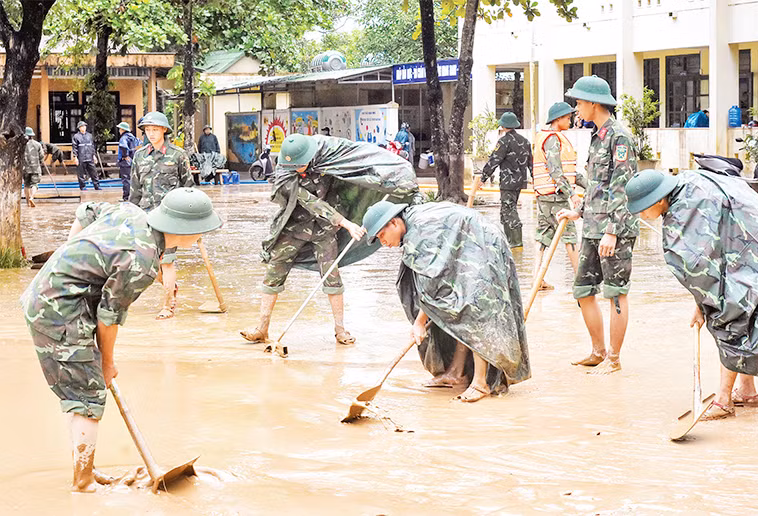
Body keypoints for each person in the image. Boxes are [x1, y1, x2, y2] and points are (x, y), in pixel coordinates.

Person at [19, 188, 223, 492]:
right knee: (89, 394)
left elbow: (86, 211)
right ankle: (83, 481)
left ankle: (85, 467)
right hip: (59, 310)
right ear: (188, 231)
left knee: (80, 391)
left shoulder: (132, 212)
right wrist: (107, 362)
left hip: (48, 295)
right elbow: (108, 317)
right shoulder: (141, 263)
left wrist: (70, 257)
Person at [626, 169, 758, 420]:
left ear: (658, 199)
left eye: (643, 209)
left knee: (729, 317)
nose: (642, 215)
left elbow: (702, 267)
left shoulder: (686, 210)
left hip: (756, 242)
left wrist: (703, 304)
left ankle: (723, 400)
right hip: (757, 231)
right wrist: (700, 301)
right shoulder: (684, 185)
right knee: (745, 313)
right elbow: (705, 263)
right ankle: (747, 391)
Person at [240, 133, 419, 351]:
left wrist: (391, 174)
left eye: (301, 165)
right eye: (294, 166)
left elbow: (359, 156)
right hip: (294, 227)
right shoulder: (284, 173)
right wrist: (346, 224)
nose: (297, 169)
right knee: (273, 274)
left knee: (332, 278)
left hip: (325, 231)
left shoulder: (328, 153)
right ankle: (262, 328)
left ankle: (340, 329)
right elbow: (311, 202)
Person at [362, 200, 531, 402]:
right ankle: (456, 373)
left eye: (382, 236)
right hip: (467, 243)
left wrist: (420, 322)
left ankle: (480, 383)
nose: (384, 243)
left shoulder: (419, 235)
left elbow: (433, 285)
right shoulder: (412, 225)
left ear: (394, 223)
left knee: (474, 305)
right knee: (454, 308)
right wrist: (421, 320)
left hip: (483, 245)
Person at [556, 75, 639, 374]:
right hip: (592, 227)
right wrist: (577, 211)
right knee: (582, 290)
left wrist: (613, 231)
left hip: (614, 231)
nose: (576, 108)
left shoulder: (620, 137)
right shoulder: (596, 136)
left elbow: (622, 187)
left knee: (616, 292)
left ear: (593, 103)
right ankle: (598, 351)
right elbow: (597, 185)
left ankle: (614, 359)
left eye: (578, 102)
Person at [130, 111, 194, 320]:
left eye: (155, 129)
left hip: (170, 219)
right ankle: (171, 287)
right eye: (147, 130)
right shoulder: (139, 156)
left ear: (164, 130)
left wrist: (191, 221)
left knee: (167, 261)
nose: (151, 133)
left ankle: (168, 305)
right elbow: (134, 191)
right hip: (146, 217)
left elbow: (188, 188)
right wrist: (130, 218)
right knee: (146, 262)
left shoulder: (177, 155)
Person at [531, 102, 582, 290]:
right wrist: (573, 195)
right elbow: (555, 170)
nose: (570, 121)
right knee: (570, 237)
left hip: (544, 196)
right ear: (558, 119)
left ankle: (537, 279)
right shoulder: (552, 139)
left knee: (543, 236)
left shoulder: (545, 137)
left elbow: (570, 173)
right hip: (555, 197)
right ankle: (580, 278)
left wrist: (592, 184)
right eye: (567, 118)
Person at [480, 112, 533, 248]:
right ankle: (510, 241)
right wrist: (535, 179)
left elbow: (494, 160)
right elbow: (531, 163)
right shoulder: (525, 141)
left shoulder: (504, 141)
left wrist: (483, 178)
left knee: (509, 211)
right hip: (520, 182)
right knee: (506, 211)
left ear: (503, 126)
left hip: (507, 182)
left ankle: (516, 242)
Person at [72, 121, 101, 191]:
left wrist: (94, 156)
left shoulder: (89, 136)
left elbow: (92, 146)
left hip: (89, 157)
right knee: (80, 173)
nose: (83, 127)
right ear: (79, 128)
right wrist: (75, 157)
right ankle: (82, 186)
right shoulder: (76, 137)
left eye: (84, 126)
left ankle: (96, 186)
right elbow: (74, 148)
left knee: (94, 172)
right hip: (81, 157)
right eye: (82, 126)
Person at [23, 127, 45, 207]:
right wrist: (41, 162)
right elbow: (41, 156)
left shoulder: (22, 145)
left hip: (25, 168)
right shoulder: (38, 144)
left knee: (26, 185)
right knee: (35, 184)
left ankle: (27, 202)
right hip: (36, 168)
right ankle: (32, 197)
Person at [116, 122, 138, 202]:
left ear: (123, 129)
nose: (119, 131)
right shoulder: (132, 137)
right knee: (132, 179)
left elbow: (123, 147)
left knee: (126, 180)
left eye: (120, 129)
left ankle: (126, 197)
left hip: (125, 162)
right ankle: (133, 196)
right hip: (132, 160)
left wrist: (125, 156)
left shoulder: (124, 138)